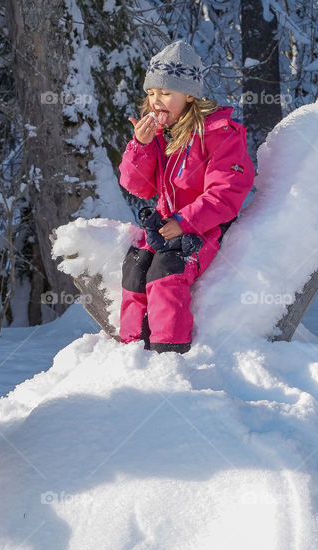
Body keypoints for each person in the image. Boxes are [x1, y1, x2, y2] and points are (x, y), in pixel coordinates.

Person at [118, 40, 255, 354]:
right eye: (151, 93)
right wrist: (140, 145)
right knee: (136, 266)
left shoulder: (220, 133)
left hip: (204, 226)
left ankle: (170, 351)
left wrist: (185, 222)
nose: (156, 101)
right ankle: (131, 350)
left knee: (167, 269)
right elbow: (138, 186)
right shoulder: (160, 131)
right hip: (169, 224)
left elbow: (227, 192)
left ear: (190, 94)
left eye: (166, 93)